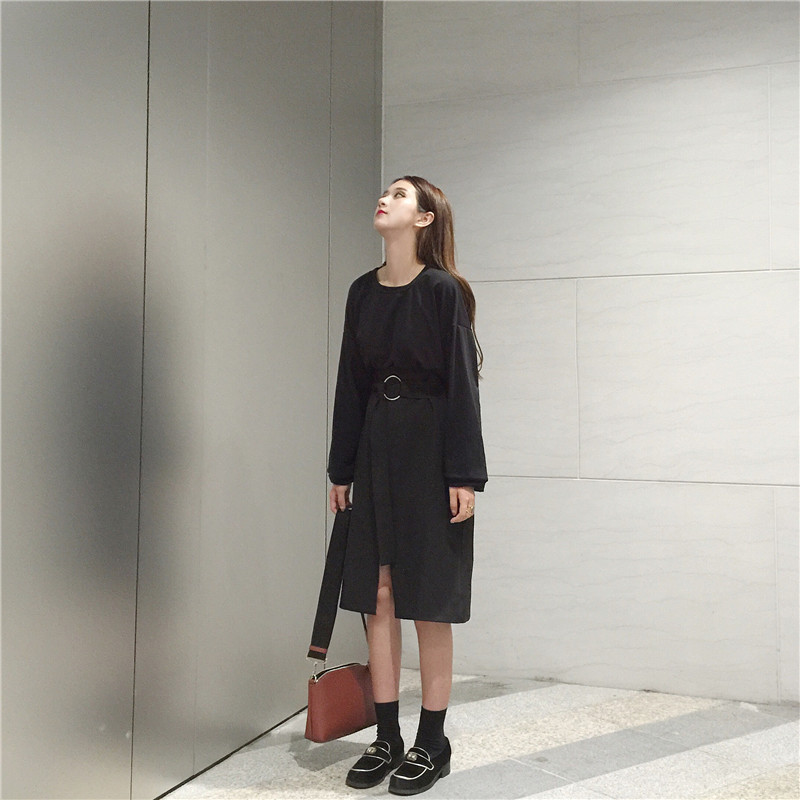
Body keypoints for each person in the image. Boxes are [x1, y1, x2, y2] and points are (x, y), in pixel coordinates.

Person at [327, 176, 487, 796]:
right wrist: (342, 469)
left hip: (431, 449)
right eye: (386, 192)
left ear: (424, 218)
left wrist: (464, 474)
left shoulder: (443, 291)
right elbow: (349, 383)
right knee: (380, 595)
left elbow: (463, 383)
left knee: (428, 599)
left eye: (399, 195)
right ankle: (387, 737)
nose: (385, 199)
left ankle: (432, 741)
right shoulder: (361, 292)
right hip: (375, 446)